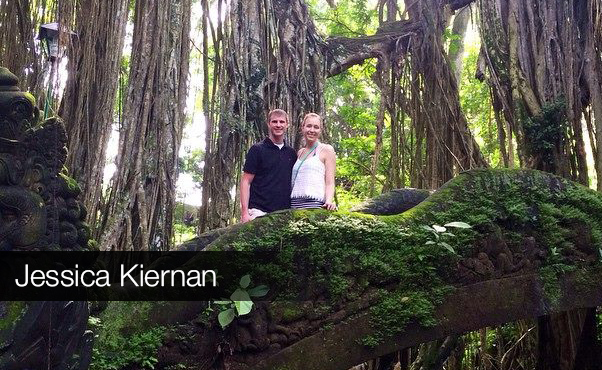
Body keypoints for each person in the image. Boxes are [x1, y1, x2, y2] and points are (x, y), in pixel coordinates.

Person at [240, 109, 297, 223]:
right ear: (268, 124)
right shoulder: (257, 149)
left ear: (287, 125)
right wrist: (245, 213)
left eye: (281, 122)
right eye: (274, 122)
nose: (278, 125)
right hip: (258, 212)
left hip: (283, 214)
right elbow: (246, 181)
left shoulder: (291, 153)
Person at [290, 113, 337, 210]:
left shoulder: (326, 150)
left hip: (315, 205)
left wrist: (329, 201)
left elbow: (330, 182)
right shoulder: (300, 153)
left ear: (320, 130)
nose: (312, 130)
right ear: (302, 128)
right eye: (309, 126)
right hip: (294, 205)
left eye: (316, 127)